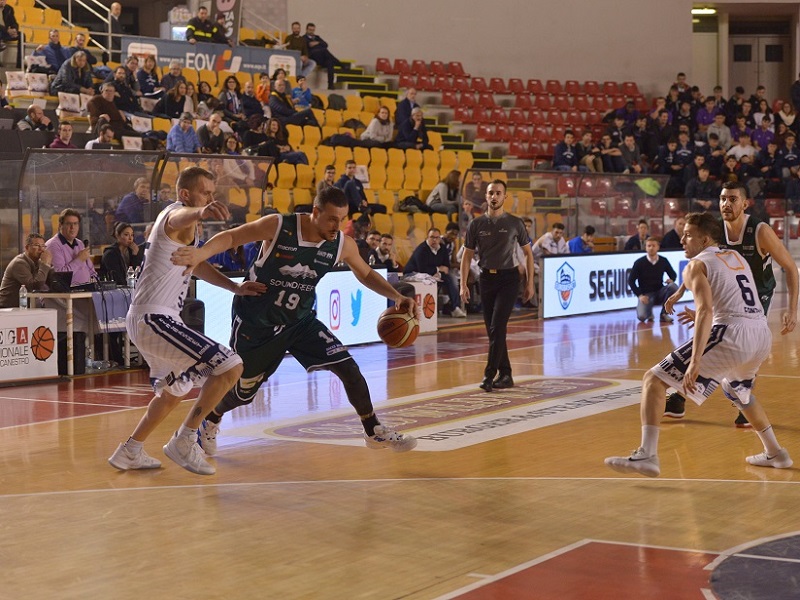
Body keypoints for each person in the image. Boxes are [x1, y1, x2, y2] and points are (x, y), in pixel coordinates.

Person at [169, 186, 418, 455]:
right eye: (331, 219)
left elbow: (366, 273)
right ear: (315, 212)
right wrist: (200, 254)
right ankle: (212, 418)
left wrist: (396, 295)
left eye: (342, 219)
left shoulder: (341, 244)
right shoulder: (279, 226)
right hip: (256, 322)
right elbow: (232, 237)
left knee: (348, 367)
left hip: (300, 321)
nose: (337, 226)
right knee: (243, 393)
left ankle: (373, 430)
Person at [605, 212, 792, 478]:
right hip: (760, 333)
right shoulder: (734, 256)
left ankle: (647, 454)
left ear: (704, 240)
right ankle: (775, 452)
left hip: (732, 333)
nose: (682, 239)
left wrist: (695, 361)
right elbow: (723, 289)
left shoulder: (695, 265)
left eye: (688, 235)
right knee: (738, 391)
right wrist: (681, 292)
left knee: (654, 380)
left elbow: (705, 310)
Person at [108, 166, 263, 474]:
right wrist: (200, 212)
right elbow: (179, 217)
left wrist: (234, 287)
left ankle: (130, 451)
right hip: (154, 318)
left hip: (151, 319)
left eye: (212, 194)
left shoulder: (185, 231)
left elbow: (197, 264)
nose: (210, 198)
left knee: (173, 392)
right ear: (185, 194)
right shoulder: (175, 215)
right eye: (205, 193)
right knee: (231, 366)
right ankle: (185, 439)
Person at [663, 181, 798, 426]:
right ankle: (681, 397)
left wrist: (792, 309)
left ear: (745, 204)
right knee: (710, 340)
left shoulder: (760, 231)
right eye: (723, 198)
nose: (726, 203)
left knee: (742, 345)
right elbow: (700, 262)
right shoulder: (714, 230)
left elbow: (790, 267)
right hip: (727, 290)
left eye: (732, 199)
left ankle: (740, 401)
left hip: (758, 294)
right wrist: (681, 291)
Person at [460, 179, 534, 391]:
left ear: (505, 197)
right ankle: (506, 374)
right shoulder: (476, 224)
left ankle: (489, 375)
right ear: (486, 196)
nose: (494, 196)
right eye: (491, 193)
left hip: (508, 279)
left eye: (498, 193)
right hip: (486, 279)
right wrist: (463, 284)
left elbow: (528, 254)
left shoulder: (515, 223)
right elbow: (466, 256)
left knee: (497, 327)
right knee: (493, 331)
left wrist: (529, 283)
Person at [404, 228, 466, 318]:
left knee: (450, 279)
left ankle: (455, 307)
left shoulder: (442, 248)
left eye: (437, 238)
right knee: (429, 278)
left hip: (433, 274)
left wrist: (438, 272)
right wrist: (438, 269)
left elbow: (446, 266)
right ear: (427, 237)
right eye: (432, 237)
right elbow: (422, 269)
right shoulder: (422, 249)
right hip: (413, 274)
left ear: (440, 239)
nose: (434, 240)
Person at [628, 237, 677, 324]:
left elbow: (673, 274)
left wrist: (671, 280)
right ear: (645, 248)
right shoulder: (639, 263)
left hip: (660, 292)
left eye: (653, 246)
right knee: (642, 317)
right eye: (649, 246)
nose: (651, 248)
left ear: (658, 247)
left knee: (673, 287)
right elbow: (631, 281)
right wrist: (640, 295)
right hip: (646, 295)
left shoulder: (663, 261)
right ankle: (649, 312)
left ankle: (664, 313)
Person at [45, 208, 95, 286]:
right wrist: (79, 260)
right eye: (69, 224)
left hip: (87, 289)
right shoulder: (53, 245)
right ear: (60, 225)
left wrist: (96, 280)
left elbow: (91, 270)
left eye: (75, 224)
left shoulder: (80, 243)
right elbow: (60, 277)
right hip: (68, 292)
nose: (72, 227)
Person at [0, 233, 52, 308]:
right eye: (37, 245)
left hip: (25, 307)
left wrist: (49, 265)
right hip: (8, 308)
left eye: (43, 246)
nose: (41, 249)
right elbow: (35, 286)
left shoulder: (38, 262)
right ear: (27, 247)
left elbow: (51, 279)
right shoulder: (19, 263)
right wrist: (45, 264)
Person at [303, 22, 341, 89]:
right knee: (324, 50)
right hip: (313, 56)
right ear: (306, 30)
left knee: (330, 62)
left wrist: (317, 42)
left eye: (313, 30)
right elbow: (309, 45)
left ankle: (330, 85)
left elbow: (325, 44)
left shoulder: (317, 37)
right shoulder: (304, 38)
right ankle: (339, 63)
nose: (311, 32)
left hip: (321, 57)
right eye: (310, 30)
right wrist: (319, 44)